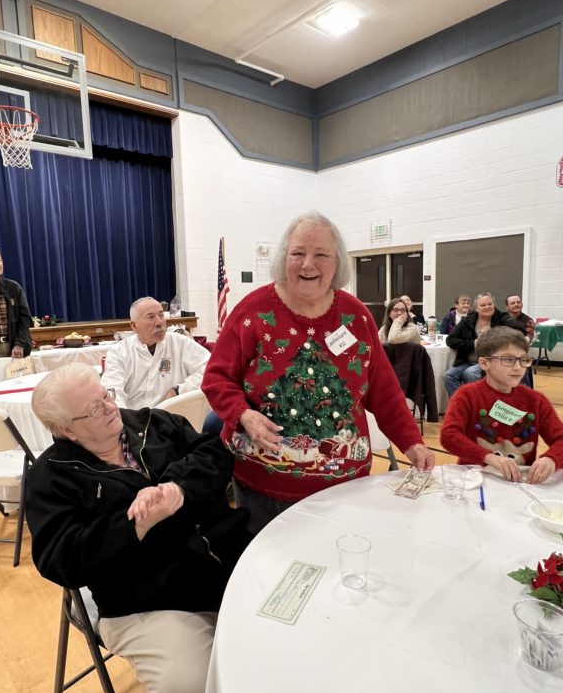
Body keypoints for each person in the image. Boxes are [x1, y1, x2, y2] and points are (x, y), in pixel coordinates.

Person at [25, 363, 246, 693]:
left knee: (293, 631)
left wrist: (177, 487)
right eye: (93, 409)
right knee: (187, 688)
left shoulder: (152, 423)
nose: (110, 408)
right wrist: (136, 526)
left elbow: (215, 455)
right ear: (66, 430)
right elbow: (62, 559)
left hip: (226, 561)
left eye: (105, 396)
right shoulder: (51, 477)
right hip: (147, 600)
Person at [202, 210, 434, 534]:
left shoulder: (356, 316)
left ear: (337, 262)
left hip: (344, 486)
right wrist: (243, 414)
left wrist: (412, 442)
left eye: (321, 255)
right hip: (264, 488)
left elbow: (384, 390)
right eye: (297, 253)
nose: (308, 264)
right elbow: (216, 378)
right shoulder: (252, 312)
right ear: (284, 258)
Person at [440, 327, 563, 483]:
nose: (518, 367)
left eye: (523, 359)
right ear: (484, 363)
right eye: (508, 360)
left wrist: (551, 459)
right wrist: (488, 457)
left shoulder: (535, 400)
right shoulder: (467, 396)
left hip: (520, 482)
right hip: (475, 479)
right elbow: (449, 436)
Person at [101, 296, 211, 409]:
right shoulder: (119, 353)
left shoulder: (180, 343)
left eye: (161, 315)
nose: (159, 322)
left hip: (173, 415)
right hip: (135, 417)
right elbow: (113, 392)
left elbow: (210, 370)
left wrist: (179, 390)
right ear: (134, 326)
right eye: (150, 317)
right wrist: (125, 417)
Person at [442, 291, 525, 397]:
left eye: (490, 304)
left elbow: (520, 330)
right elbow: (450, 340)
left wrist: (496, 341)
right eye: (483, 305)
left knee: (470, 373)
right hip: (467, 361)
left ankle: (478, 401)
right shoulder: (467, 320)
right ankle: (461, 401)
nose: (487, 307)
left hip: (491, 361)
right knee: (448, 376)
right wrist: (473, 343)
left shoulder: (501, 318)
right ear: (476, 308)